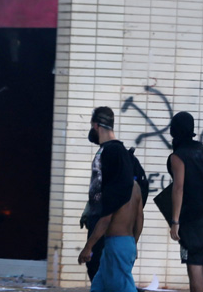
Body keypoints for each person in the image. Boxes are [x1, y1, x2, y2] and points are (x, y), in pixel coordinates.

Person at [78, 106, 144, 292]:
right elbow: (140, 219)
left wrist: (88, 247)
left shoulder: (108, 156)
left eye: (92, 126)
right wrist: (132, 244)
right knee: (99, 286)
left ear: (96, 125)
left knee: (122, 288)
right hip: (123, 244)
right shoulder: (135, 187)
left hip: (115, 243)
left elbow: (106, 216)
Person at [167, 111, 203, 292]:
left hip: (192, 222)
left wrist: (175, 221)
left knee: (194, 267)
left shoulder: (178, 156)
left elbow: (179, 188)